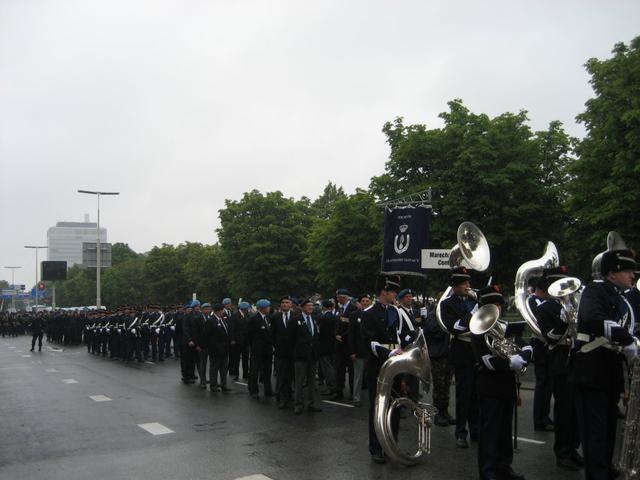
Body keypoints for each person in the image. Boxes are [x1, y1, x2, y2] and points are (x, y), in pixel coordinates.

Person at [570, 249, 638, 480]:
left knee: (609, 429)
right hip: (590, 371)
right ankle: (597, 474)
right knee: (595, 432)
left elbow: (628, 327)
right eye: (628, 271)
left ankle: (606, 470)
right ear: (612, 273)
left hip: (609, 372)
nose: (633, 275)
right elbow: (592, 318)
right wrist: (627, 340)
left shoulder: (622, 298)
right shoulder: (594, 290)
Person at [471, 285, 532, 480]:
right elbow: (486, 360)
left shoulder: (504, 326)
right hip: (489, 386)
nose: (497, 308)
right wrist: (509, 362)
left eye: (499, 304)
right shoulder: (478, 330)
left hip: (507, 385)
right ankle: (488, 472)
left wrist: (526, 352)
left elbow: (522, 342)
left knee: (505, 430)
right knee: (491, 431)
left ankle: (504, 467)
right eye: (493, 305)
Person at [361, 275, 401, 464]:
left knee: (396, 406)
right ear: (384, 291)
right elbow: (370, 342)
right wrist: (389, 353)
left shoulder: (395, 311)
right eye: (393, 291)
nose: (395, 294)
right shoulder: (369, 313)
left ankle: (392, 444)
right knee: (378, 408)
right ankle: (376, 447)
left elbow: (403, 336)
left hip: (396, 365)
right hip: (378, 366)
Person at [440, 266, 479, 448]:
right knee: (464, 395)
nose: (468, 285)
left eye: (468, 282)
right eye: (464, 283)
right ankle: (461, 432)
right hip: (462, 352)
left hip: (477, 351)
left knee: (477, 395)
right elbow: (455, 328)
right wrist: (473, 313)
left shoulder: (474, 300)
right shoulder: (447, 304)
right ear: (455, 285)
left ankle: (476, 429)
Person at [423, 294, 455, 426]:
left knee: (446, 386)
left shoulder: (447, 313)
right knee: (439, 386)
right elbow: (434, 331)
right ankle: (438, 414)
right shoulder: (433, 314)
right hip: (438, 356)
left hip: (448, 354)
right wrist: (448, 325)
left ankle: (445, 412)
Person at [528, 277, 555, 432]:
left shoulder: (543, 301)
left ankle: (545, 416)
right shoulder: (533, 301)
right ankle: (540, 420)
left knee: (548, 383)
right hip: (540, 344)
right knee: (543, 382)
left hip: (548, 344)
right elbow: (539, 320)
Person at [291, 299, 322, 414]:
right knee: (299, 381)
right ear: (302, 307)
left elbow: (316, 337)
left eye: (311, 306)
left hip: (312, 356)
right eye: (308, 306)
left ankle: (310, 403)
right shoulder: (295, 320)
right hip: (300, 356)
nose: (310, 308)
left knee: (311, 381)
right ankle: (298, 404)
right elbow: (291, 339)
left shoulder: (313, 319)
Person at [271, 296, 295, 409]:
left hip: (293, 351)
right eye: (283, 302)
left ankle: (290, 394)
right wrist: (276, 345)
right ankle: (281, 397)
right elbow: (272, 334)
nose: (285, 304)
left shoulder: (296, 316)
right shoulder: (275, 317)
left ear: (291, 305)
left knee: (291, 375)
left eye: (287, 302)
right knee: (281, 375)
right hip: (280, 351)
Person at [247, 299, 274, 399]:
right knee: (255, 370)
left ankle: (268, 389)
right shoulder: (254, 319)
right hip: (257, 349)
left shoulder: (269, 318)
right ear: (263, 308)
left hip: (268, 349)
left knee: (267, 370)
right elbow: (249, 335)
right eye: (268, 307)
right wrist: (252, 346)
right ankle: (253, 390)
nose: (269, 308)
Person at [349, 294, 372, 407]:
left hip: (372, 351)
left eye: (367, 301)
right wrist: (352, 351)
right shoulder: (354, 315)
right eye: (363, 301)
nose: (365, 303)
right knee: (358, 376)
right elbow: (351, 335)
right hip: (359, 351)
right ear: (359, 303)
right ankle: (356, 398)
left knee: (372, 376)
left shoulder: (373, 314)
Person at [334, 289, 357, 401]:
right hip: (339, 346)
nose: (337, 299)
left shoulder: (353, 308)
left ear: (343, 297)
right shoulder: (340, 309)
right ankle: (339, 392)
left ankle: (353, 393)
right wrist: (336, 335)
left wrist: (342, 336)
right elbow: (338, 324)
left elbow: (352, 327)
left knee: (352, 371)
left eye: (338, 297)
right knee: (339, 369)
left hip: (349, 344)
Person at [205, 303, 231, 392]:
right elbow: (206, 336)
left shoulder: (222, 320)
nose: (224, 311)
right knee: (214, 368)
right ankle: (213, 385)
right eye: (223, 310)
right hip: (215, 350)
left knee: (224, 368)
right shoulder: (210, 321)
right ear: (219, 311)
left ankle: (223, 384)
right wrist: (210, 347)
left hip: (224, 349)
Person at [317, 299, 337, 397]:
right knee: (331, 366)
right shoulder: (334, 317)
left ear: (324, 307)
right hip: (332, 345)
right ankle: (333, 385)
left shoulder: (322, 318)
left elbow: (319, 332)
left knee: (327, 368)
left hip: (324, 345)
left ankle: (331, 387)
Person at [229, 301, 250, 380]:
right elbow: (231, 328)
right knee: (236, 358)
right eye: (247, 308)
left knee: (246, 358)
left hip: (246, 341)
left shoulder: (247, 315)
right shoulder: (235, 315)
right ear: (243, 308)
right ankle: (236, 374)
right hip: (237, 340)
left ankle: (245, 374)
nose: (247, 309)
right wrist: (232, 339)